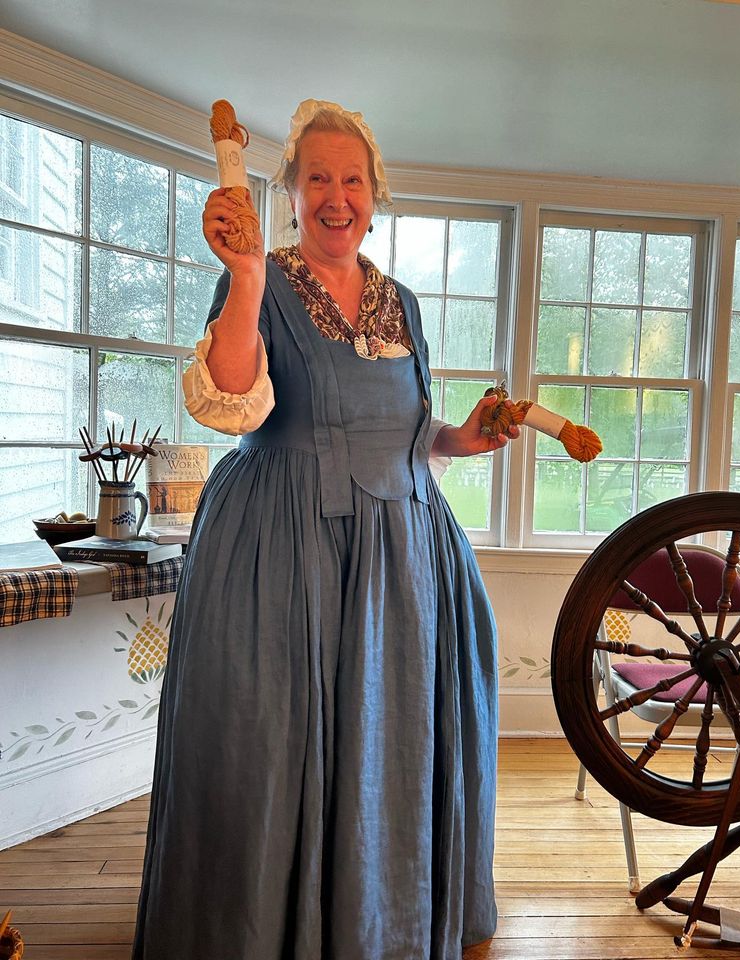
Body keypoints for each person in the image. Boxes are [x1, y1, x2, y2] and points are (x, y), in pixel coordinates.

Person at [132, 98, 519, 960]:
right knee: (271, 741)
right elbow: (231, 402)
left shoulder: (405, 303)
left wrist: (469, 435)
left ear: (375, 196)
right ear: (293, 193)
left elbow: (416, 431)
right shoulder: (258, 274)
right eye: (317, 179)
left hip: (407, 553)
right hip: (285, 544)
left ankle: (384, 922)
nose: (335, 196)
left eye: (352, 180)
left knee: (394, 742)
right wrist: (241, 280)